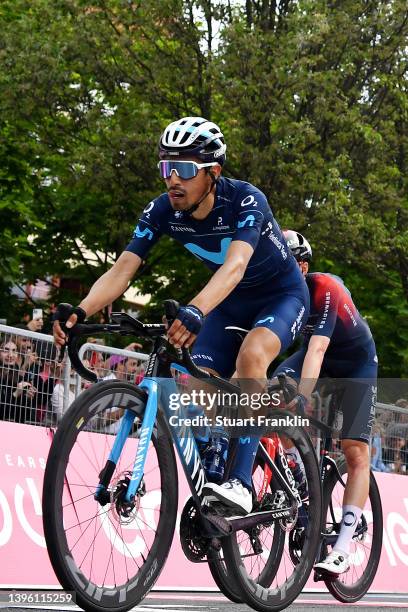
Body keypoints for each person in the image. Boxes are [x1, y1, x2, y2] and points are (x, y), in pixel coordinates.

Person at [53, 116, 309, 515]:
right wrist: (81, 310)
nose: (173, 179)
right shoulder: (162, 210)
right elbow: (122, 269)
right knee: (197, 379)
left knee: (251, 359)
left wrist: (195, 309)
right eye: (166, 167)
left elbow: (236, 265)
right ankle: (214, 458)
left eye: (185, 169)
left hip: (281, 297)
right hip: (228, 303)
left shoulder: (244, 199)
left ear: (213, 172)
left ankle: (242, 483)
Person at [276, 230, 378, 575]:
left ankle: (343, 546)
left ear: (302, 266)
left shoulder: (325, 288)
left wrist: (303, 395)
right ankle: (298, 476)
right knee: (275, 390)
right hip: (317, 356)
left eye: (286, 264)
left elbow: (318, 349)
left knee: (354, 450)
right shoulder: (278, 294)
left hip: (355, 365)